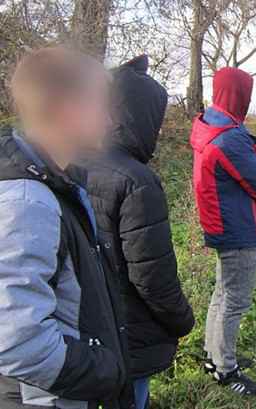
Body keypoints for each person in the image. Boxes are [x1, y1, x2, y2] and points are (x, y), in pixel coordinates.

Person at [0, 47, 133, 408]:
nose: (109, 120)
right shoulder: (28, 201)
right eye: (99, 104)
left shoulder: (58, 183)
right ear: (67, 108)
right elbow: (17, 341)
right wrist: (104, 371)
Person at [83, 55, 195, 409]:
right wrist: (181, 319)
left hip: (80, 337)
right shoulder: (136, 181)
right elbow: (151, 274)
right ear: (141, 118)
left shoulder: (71, 164)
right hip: (127, 337)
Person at [189, 67, 256, 396]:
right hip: (238, 228)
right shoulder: (231, 136)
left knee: (221, 295)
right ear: (240, 96)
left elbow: (235, 171)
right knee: (234, 300)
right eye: (246, 95)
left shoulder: (210, 124)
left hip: (222, 222)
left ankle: (214, 356)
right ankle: (226, 369)